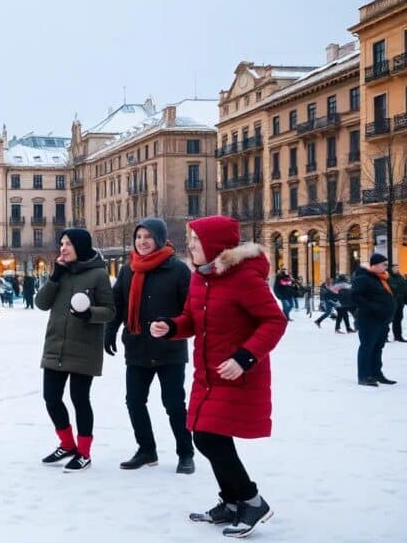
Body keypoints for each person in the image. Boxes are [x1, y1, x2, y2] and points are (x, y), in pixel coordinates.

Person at [149, 215, 286, 538]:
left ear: (213, 246)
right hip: (208, 373)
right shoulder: (201, 278)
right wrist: (171, 327)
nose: (190, 246)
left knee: (209, 437)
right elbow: (192, 319)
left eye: (195, 241)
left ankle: (252, 501)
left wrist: (245, 356)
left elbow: (274, 321)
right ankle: (233, 502)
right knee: (208, 436)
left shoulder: (243, 278)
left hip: (238, 373)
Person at [105, 218, 195, 474]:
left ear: (159, 238)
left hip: (169, 349)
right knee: (134, 401)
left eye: (148, 237)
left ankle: (185, 453)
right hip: (137, 347)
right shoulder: (128, 269)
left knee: (174, 404)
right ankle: (147, 450)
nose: (142, 242)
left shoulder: (177, 269)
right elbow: (118, 304)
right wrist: (110, 330)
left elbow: (189, 310)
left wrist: (172, 325)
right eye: (139, 237)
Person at [35, 228, 114, 472]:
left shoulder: (99, 275)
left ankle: (84, 452)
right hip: (55, 345)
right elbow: (41, 303)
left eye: (68, 243)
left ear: (80, 246)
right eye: (62, 243)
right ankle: (67, 444)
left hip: (84, 349)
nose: (63, 248)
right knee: (51, 398)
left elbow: (110, 311)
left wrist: (89, 313)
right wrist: (55, 276)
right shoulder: (61, 272)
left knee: (80, 399)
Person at [353, 253, 396, 386]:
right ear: (375, 265)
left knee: (378, 347)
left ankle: (376, 373)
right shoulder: (364, 278)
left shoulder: (381, 278)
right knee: (367, 347)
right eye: (384, 264)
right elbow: (355, 296)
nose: (386, 267)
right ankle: (364, 376)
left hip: (382, 320)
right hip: (369, 320)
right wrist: (374, 308)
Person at [388, 265, 406, 342]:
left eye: (398, 268)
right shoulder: (388, 277)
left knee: (398, 319)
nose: (397, 269)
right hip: (392, 301)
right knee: (388, 319)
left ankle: (398, 335)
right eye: (395, 268)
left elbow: (405, 289)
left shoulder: (401, 277)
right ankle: (384, 336)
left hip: (400, 302)